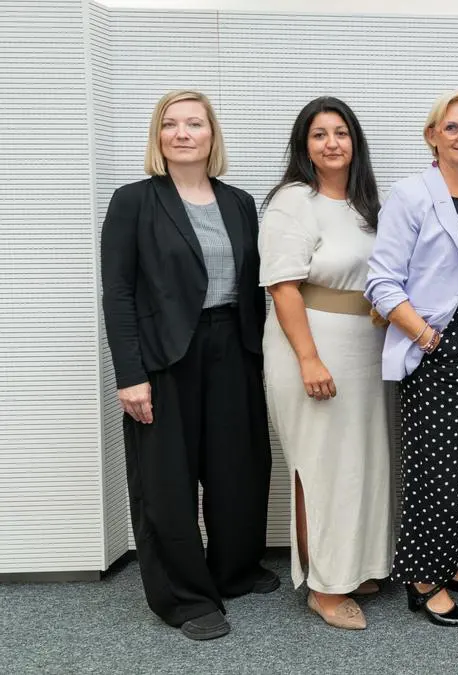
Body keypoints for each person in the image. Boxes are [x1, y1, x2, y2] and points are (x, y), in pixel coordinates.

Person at [100, 90, 276, 641]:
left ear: (211, 135)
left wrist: (261, 355)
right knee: (167, 481)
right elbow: (119, 293)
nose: (182, 133)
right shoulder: (133, 201)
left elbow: (254, 287)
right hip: (164, 357)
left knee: (238, 469)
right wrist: (130, 374)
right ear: (158, 137)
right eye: (170, 124)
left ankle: (233, 570)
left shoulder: (240, 202)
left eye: (194, 124)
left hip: (234, 347)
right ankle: (184, 597)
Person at [365, 90, 458, 628]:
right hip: (440, 350)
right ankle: (423, 578)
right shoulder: (410, 195)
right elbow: (381, 280)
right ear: (432, 136)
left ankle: (448, 562)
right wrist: (425, 337)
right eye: (453, 127)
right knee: (436, 468)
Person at [260, 96, 389, 630]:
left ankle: (354, 566)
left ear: (354, 142)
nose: (332, 143)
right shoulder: (294, 200)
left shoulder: (365, 205)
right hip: (310, 343)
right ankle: (323, 585)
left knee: (360, 463)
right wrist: (309, 358)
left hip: (365, 346)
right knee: (319, 467)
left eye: (341, 133)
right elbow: (283, 286)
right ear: (304, 145)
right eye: (319, 134)